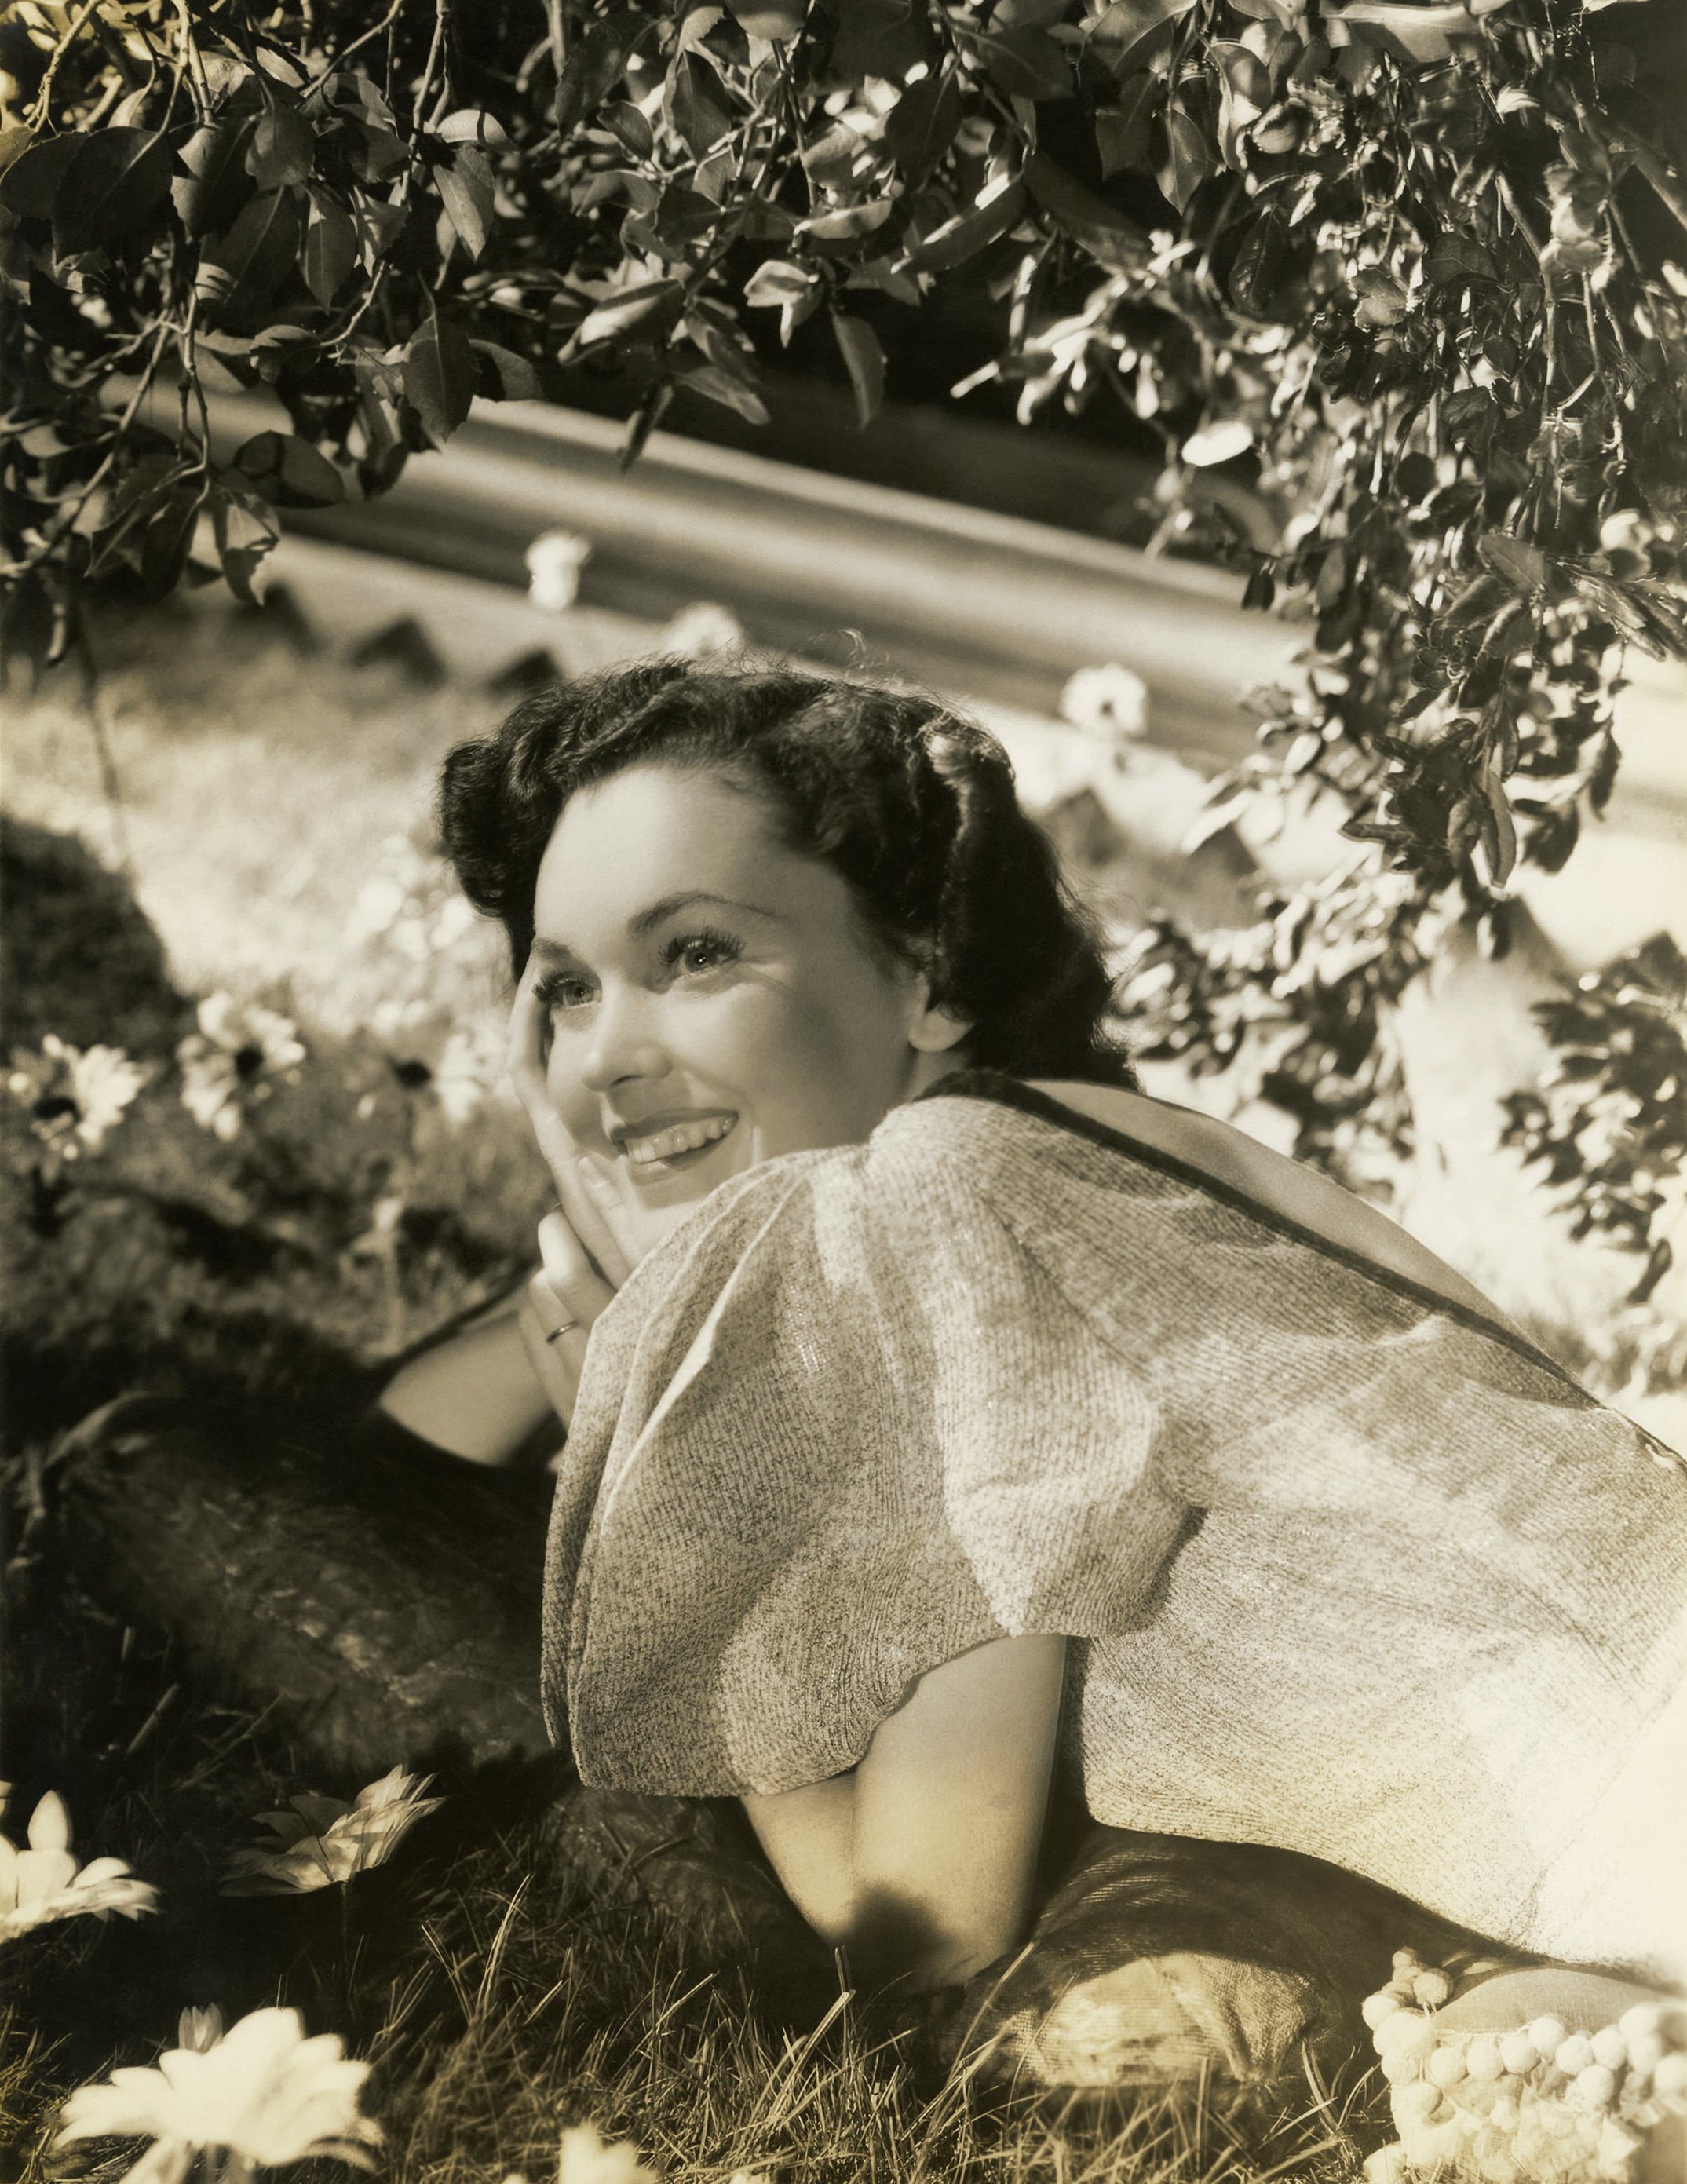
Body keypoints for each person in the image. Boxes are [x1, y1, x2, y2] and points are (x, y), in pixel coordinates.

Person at [376, 659, 1685, 2163]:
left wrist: (695, 1519)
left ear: (928, 976)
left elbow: (922, 1921)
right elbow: (403, 1444)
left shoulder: (924, 1205)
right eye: (564, 988)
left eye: (696, 953)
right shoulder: (1048, 1149)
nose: (606, 1052)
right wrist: (628, 1278)